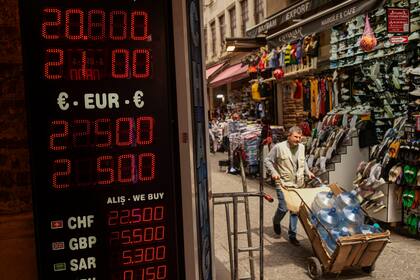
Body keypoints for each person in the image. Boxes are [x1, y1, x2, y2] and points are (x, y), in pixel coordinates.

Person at [264, 126, 315, 246]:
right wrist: (274, 172)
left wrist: (307, 171)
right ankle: (276, 221)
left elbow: (303, 162)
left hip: (298, 183)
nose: (298, 139)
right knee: (283, 207)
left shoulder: (302, 147)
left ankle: (292, 235)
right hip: (283, 183)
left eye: (300, 137)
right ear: (289, 136)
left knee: (295, 210)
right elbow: (267, 160)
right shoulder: (279, 147)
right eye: (296, 137)